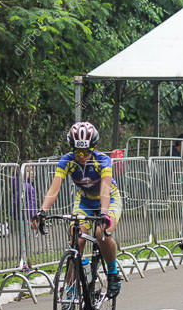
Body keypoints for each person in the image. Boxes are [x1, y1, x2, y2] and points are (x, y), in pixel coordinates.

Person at [33, 121, 123, 298]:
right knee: (76, 237)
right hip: (85, 202)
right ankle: (73, 287)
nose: (81, 156)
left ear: (94, 148)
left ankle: (113, 274)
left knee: (101, 233)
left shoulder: (103, 160)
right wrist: (42, 210)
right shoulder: (67, 160)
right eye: (77, 151)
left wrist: (104, 213)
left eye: (86, 151)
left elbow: (105, 190)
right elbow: (54, 189)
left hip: (109, 200)